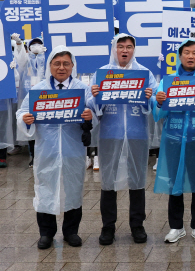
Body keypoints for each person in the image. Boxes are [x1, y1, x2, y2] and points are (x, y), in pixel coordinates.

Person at [17, 45, 96, 249]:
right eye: (57, 63)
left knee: (73, 188)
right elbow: (22, 112)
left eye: (66, 64)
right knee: (45, 188)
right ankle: (46, 233)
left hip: (73, 149)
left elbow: (95, 113)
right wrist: (25, 118)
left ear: (72, 66)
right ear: (50, 66)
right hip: (47, 150)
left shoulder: (82, 89)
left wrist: (90, 115)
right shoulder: (38, 90)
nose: (61, 68)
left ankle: (71, 231)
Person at [152, 39, 195, 244]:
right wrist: (159, 101)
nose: (191, 56)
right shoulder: (168, 81)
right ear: (180, 55)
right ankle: (176, 227)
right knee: (174, 182)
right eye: (187, 52)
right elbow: (158, 114)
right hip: (173, 138)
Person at [90, 34, 158, 245]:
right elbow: (91, 105)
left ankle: (137, 225)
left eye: (129, 47)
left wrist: (150, 97)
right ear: (114, 49)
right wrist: (95, 96)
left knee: (137, 180)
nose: (125, 50)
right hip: (110, 134)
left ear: (134, 50)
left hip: (137, 133)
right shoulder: (102, 74)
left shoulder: (144, 73)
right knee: (108, 180)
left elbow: (155, 101)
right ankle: (108, 227)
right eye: (121, 47)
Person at [12, 35, 47, 167]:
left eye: (39, 44)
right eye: (33, 44)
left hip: (45, 99)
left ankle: (45, 156)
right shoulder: (27, 60)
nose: (36, 46)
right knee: (30, 126)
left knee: (43, 128)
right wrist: (19, 44)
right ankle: (33, 156)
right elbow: (20, 58)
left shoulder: (47, 60)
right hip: (29, 99)